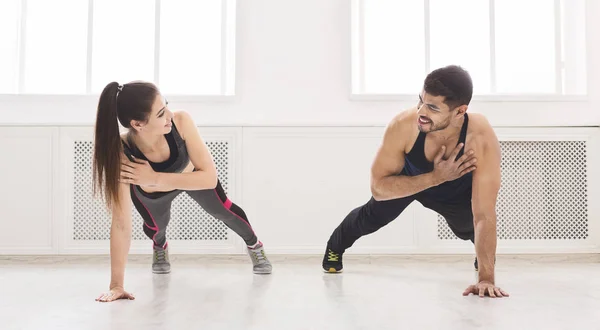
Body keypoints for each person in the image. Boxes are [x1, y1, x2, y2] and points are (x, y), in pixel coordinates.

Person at [322, 65, 509, 298]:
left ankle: (482, 261)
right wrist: (435, 177)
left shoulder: (480, 136)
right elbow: (379, 188)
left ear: (460, 111)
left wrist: (486, 278)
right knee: (371, 216)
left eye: (432, 107)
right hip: (409, 179)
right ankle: (334, 248)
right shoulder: (403, 125)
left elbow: (485, 215)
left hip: (453, 186)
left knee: (469, 226)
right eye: (420, 101)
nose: (421, 111)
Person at [92, 81, 272, 303]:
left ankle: (254, 244)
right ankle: (160, 245)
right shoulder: (122, 153)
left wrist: (154, 178)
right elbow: (120, 222)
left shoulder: (181, 122)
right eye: (160, 113)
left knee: (224, 211)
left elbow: (209, 177)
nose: (169, 114)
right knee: (156, 227)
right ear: (138, 124)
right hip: (153, 194)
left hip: (191, 178)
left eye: (166, 105)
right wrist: (116, 285)